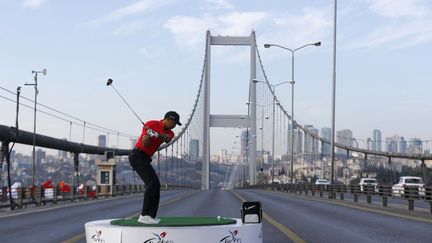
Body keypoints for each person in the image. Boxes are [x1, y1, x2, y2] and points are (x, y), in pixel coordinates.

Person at [129, 111, 181, 224]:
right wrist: (148, 136)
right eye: (174, 123)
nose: (175, 126)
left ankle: (150, 216)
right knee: (151, 184)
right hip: (137, 156)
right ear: (168, 119)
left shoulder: (171, 133)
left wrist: (157, 134)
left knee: (156, 185)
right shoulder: (150, 124)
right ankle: (144, 216)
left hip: (145, 158)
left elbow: (167, 139)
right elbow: (145, 142)